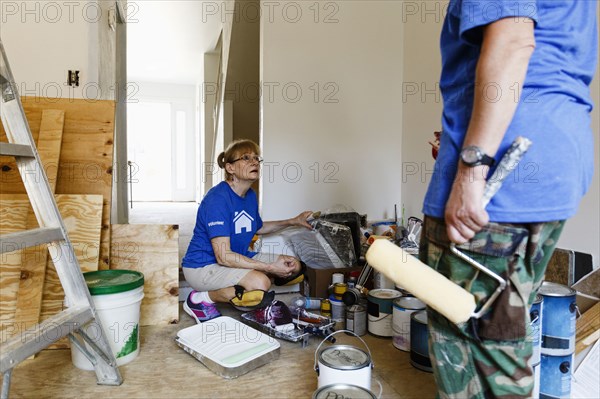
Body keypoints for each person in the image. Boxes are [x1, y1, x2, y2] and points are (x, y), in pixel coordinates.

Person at [420, 1, 597, 398]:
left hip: (499, 179)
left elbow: (513, 41)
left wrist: (472, 167)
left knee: (475, 355)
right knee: (504, 340)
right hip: (553, 164)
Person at [181, 139, 313, 323]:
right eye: (246, 158)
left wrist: (293, 221)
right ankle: (200, 299)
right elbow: (223, 257)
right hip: (203, 266)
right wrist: (268, 268)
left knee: (293, 265)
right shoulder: (217, 200)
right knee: (261, 282)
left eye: (256, 158)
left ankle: (245, 295)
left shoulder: (249, 195)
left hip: (236, 256)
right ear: (230, 168)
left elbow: (257, 227)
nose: (254, 162)